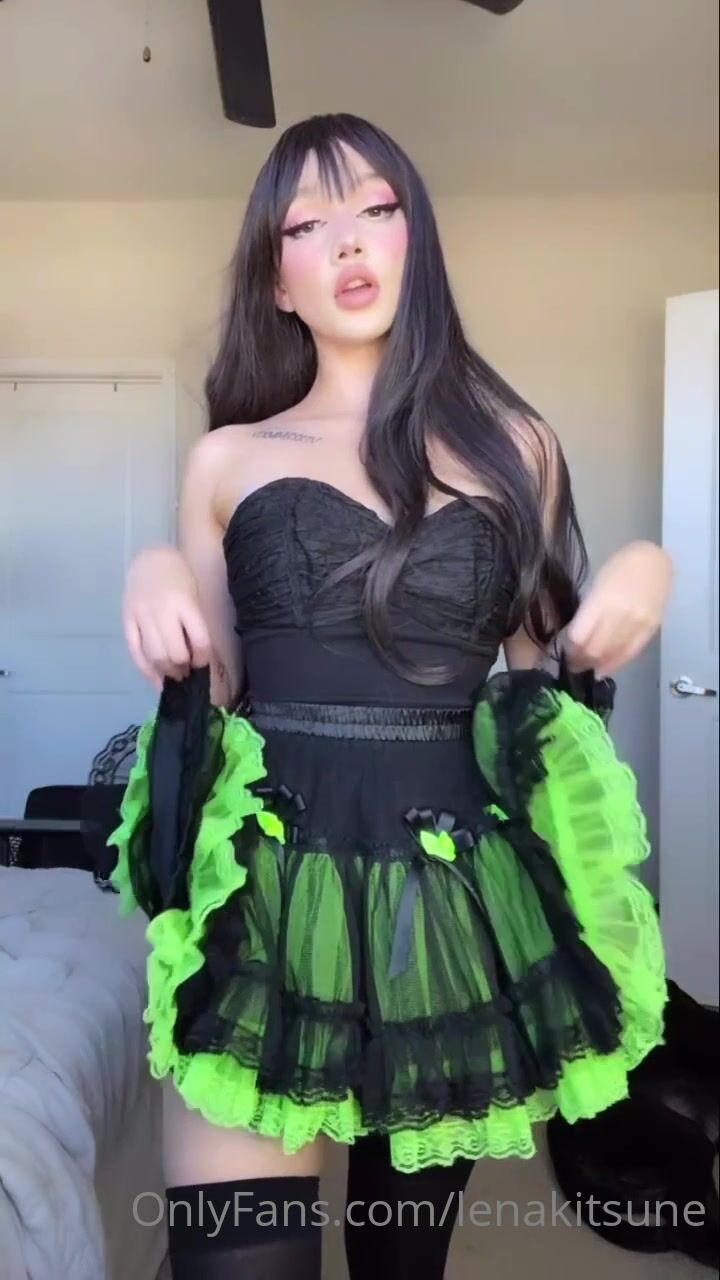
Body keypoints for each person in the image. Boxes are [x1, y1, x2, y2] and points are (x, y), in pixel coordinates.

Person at [113, 113, 672, 1280]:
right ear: (279, 280)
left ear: (417, 239)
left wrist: (639, 574)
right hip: (269, 888)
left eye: (377, 207)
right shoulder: (227, 457)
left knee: (400, 1264)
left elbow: (541, 687)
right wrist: (154, 568)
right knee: (236, 1259)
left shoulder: (517, 446)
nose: (348, 241)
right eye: (306, 225)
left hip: (444, 901)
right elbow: (214, 681)